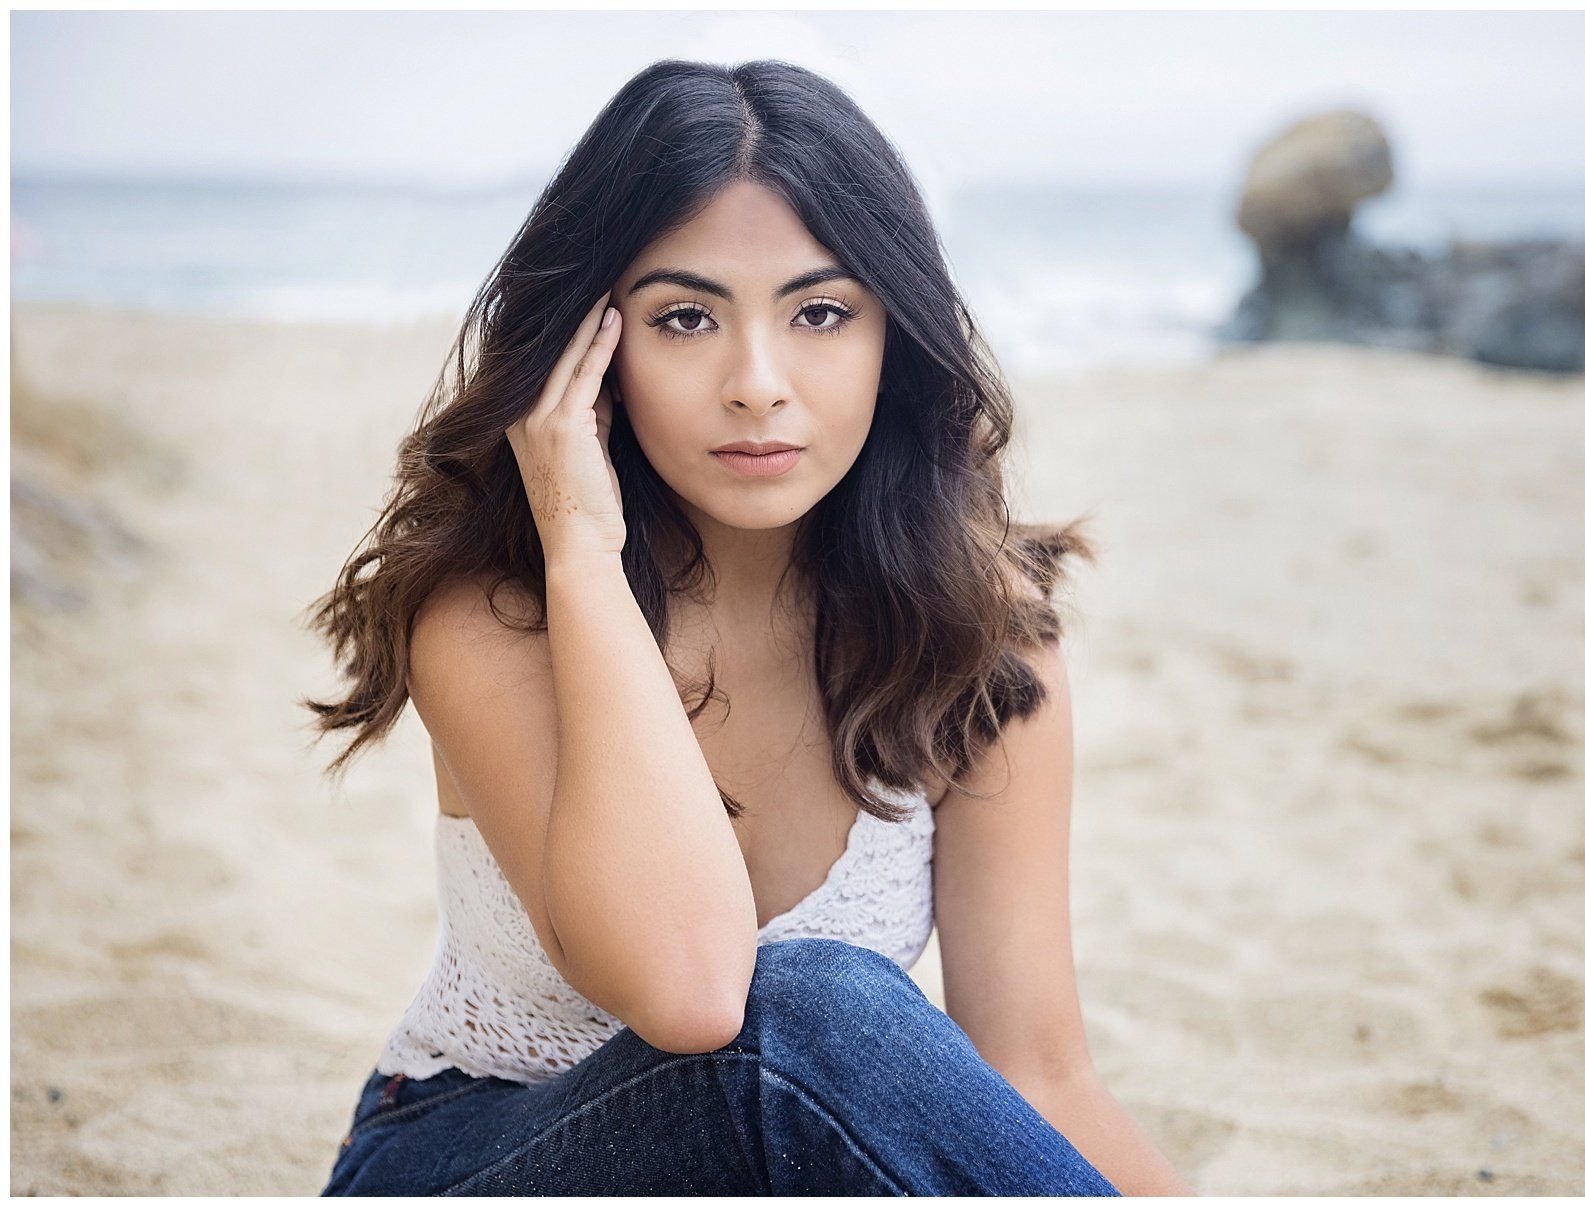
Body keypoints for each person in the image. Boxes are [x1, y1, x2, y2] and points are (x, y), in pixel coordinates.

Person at [302, 57, 1190, 1196]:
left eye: (821, 312)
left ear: (892, 336)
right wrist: (581, 552)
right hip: (481, 1157)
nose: (758, 384)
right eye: (685, 318)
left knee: (823, 1028)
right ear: (591, 351)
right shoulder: (494, 619)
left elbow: (1035, 1073)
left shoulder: (982, 640)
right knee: (804, 1014)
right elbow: (691, 995)